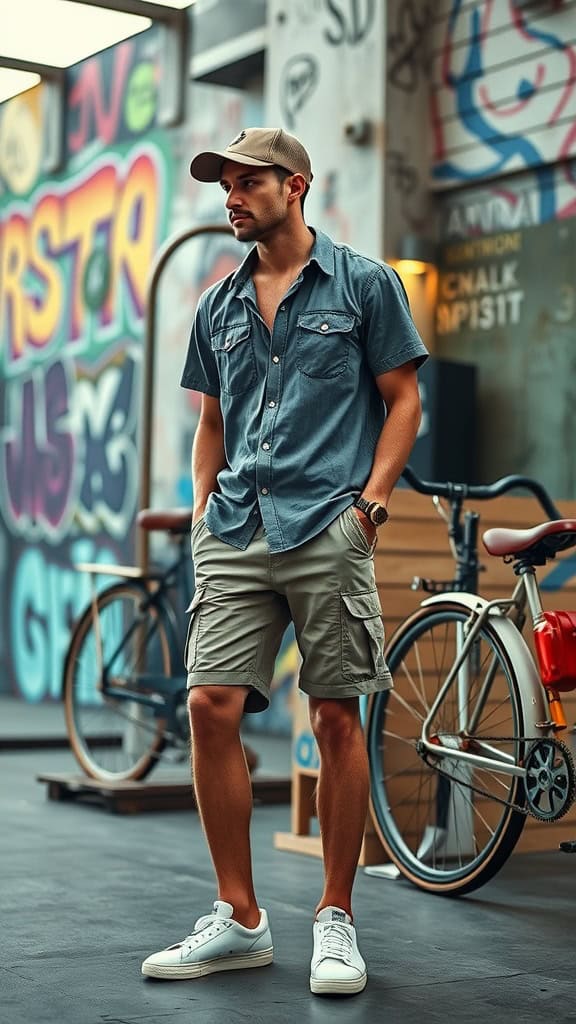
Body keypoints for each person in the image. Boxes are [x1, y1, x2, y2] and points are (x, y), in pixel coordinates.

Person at [141, 127, 428, 994]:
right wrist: (201, 515)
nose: (232, 194)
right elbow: (211, 424)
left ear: (296, 185)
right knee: (209, 706)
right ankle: (241, 918)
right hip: (236, 525)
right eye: (224, 183)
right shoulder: (218, 307)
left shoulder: (365, 285)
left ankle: (334, 919)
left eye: (249, 180)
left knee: (336, 719)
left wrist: (372, 502)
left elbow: (404, 397)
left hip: (327, 522)